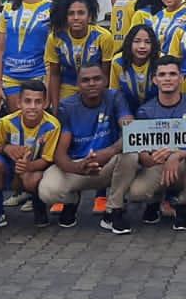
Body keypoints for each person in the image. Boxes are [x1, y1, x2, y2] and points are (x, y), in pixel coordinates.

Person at [110, 56, 186, 230]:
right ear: (154, 80)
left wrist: (177, 155)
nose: (168, 79)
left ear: (181, 78)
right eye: (162, 75)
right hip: (158, 165)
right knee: (136, 193)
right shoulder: (145, 110)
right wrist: (147, 158)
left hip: (184, 163)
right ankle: (155, 200)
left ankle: (184, 206)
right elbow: (140, 149)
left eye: (172, 74)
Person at [41, 61, 132, 230]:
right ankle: (71, 202)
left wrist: (109, 151)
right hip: (78, 165)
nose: (91, 84)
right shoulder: (66, 107)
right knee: (47, 190)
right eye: (86, 80)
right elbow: (60, 155)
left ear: (105, 80)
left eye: (97, 79)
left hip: (108, 162)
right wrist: (78, 167)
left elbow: (130, 130)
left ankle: (114, 211)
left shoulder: (115, 97)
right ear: (77, 84)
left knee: (130, 154)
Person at [0, 78, 60, 224]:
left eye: (38, 102)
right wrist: (7, 148)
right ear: (19, 102)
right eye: (27, 101)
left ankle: (39, 209)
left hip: (35, 168)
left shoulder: (52, 126)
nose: (32, 107)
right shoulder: (6, 122)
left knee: (33, 180)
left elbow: (48, 159)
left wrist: (27, 167)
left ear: (45, 103)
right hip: (11, 166)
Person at [0, 0, 51, 110]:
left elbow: (54, 52)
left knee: (35, 123)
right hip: (10, 77)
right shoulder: (8, 8)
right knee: (16, 123)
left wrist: (49, 86)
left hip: (38, 76)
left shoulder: (52, 8)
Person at [111, 22, 160, 115]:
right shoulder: (118, 61)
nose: (142, 46)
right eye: (137, 41)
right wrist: (123, 114)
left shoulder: (160, 60)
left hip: (156, 110)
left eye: (147, 42)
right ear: (129, 42)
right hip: (127, 110)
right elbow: (115, 93)